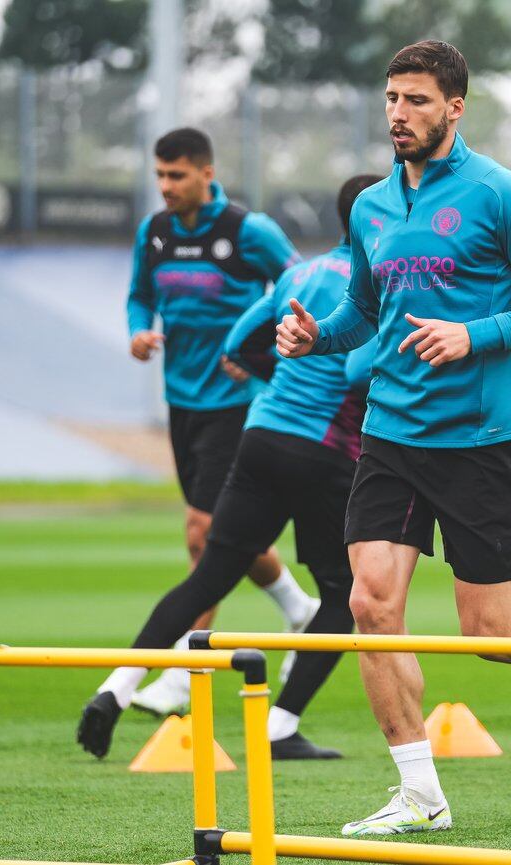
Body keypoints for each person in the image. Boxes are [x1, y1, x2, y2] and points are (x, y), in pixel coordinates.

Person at [275, 40, 511, 838]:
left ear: (455, 108)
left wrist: (472, 334)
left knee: (489, 634)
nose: (398, 114)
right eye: (390, 99)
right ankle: (420, 791)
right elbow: (362, 314)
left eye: (416, 100)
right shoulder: (371, 207)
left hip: (479, 438)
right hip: (390, 432)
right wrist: (317, 337)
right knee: (369, 602)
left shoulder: (500, 193)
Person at [78, 174, 382, 761]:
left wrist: (280, 385)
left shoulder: (299, 275)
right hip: (326, 453)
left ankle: (113, 690)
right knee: (344, 596)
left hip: (261, 436)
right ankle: (279, 729)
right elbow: (355, 375)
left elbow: (240, 345)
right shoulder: (379, 288)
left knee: (208, 576)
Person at [124, 127, 319, 715]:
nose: (166, 186)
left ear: (206, 173)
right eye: (159, 175)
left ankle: (184, 674)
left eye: (176, 175)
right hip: (182, 404)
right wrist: (137, 329)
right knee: (229, 534)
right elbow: (139, 295)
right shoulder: (154, 233)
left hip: (239, 404)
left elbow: (302, 286)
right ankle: (301, 611)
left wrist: (260, 350)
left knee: (200, 533)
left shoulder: (247, 231)